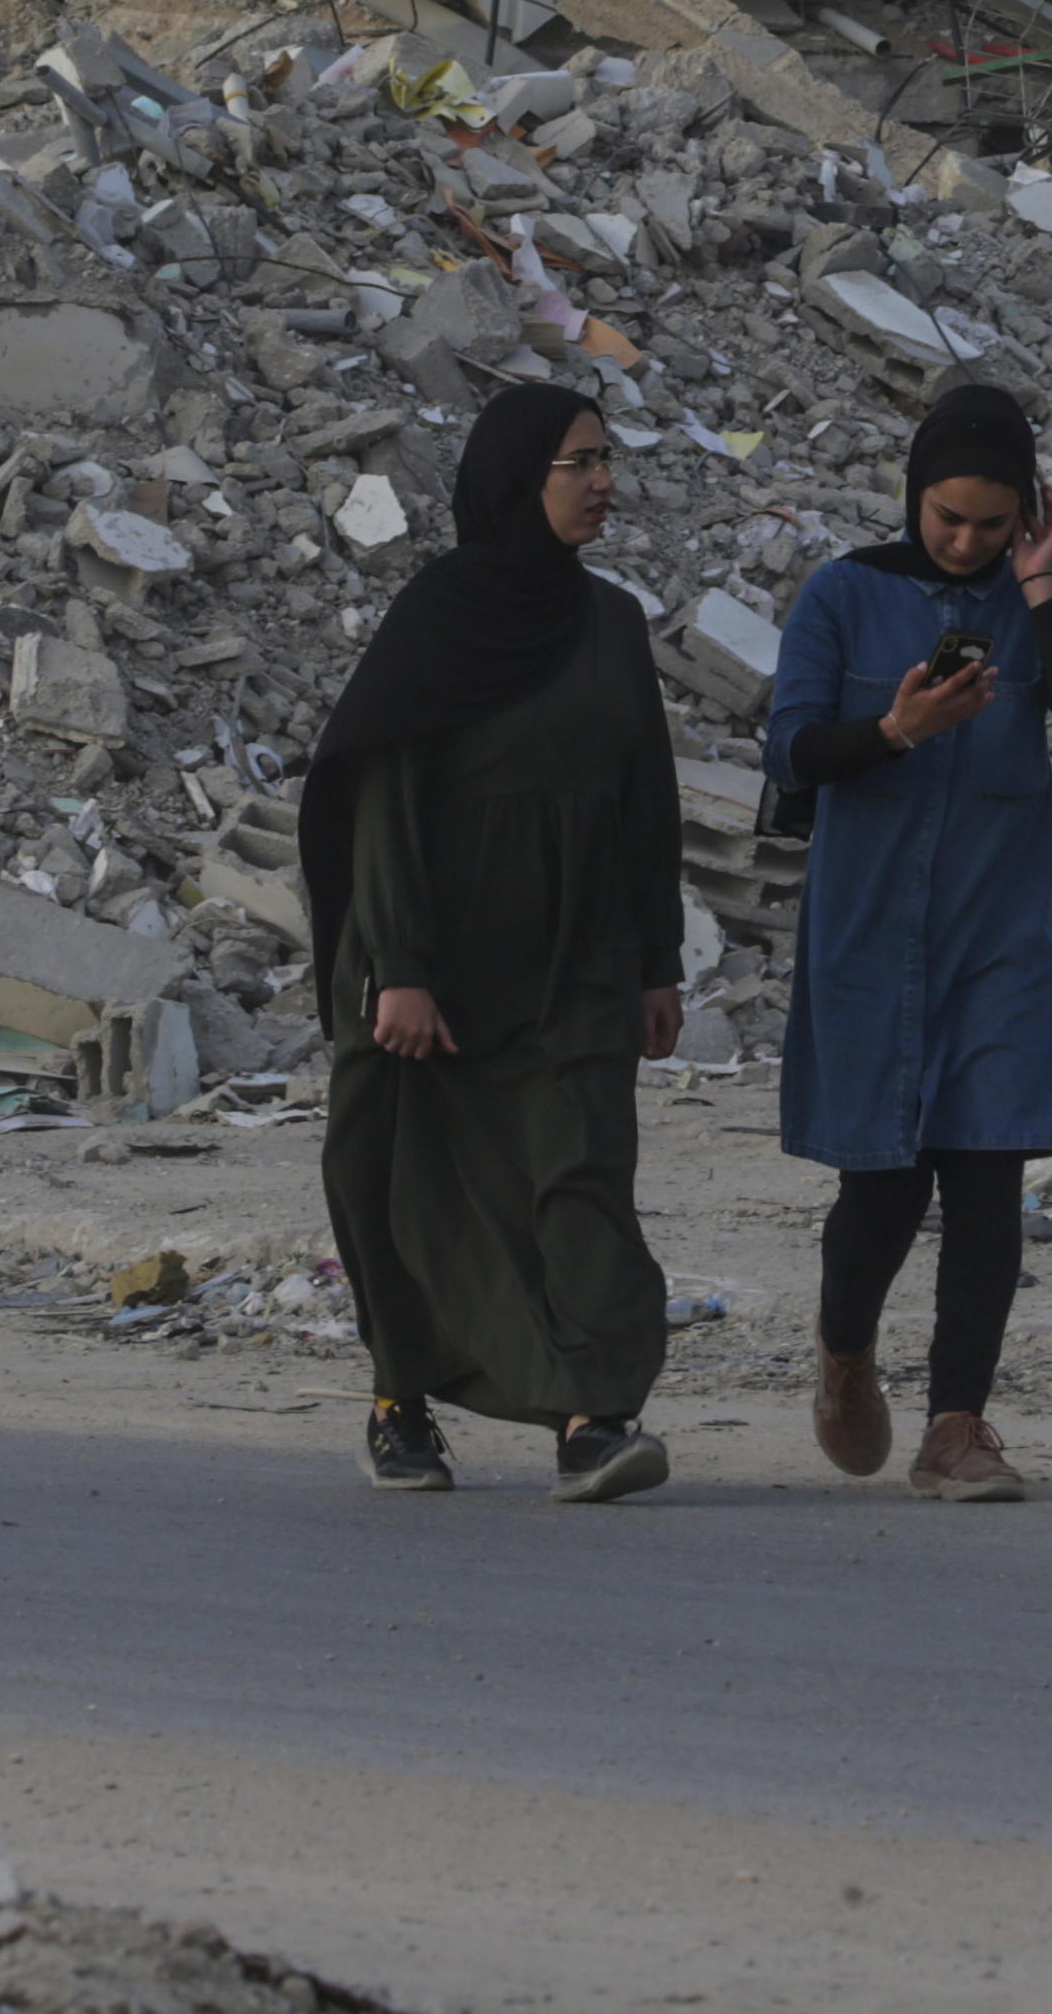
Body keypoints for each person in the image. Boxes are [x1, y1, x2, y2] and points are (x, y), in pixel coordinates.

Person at [301, 383, 690, 1504]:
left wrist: (656, 962)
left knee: (582, 1177)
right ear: (518, 477)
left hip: (574, 957)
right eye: (579, 462)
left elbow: (644, 801)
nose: (603, 482)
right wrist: (401, 969)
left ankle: (591, 1418)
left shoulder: (608, 623)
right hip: (431, 957)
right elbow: (383, 800)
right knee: (402, 1181)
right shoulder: (442, 616)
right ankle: (398, 1398)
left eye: (606, 458)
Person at [767, 382, 1052, 1502]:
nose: (965, 540)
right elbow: (790, 756)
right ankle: (843, 1355)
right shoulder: (841, 595)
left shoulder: (1038, 600)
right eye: (947, 519)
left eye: (990, 521)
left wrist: (1038, 587)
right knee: (879, 1191)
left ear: (1026, 513)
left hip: (995, 941)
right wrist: (893, 730)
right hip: (869, 938)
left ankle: (958, 1427)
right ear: (912, 497)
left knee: (984, 1179)